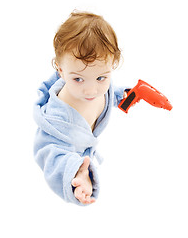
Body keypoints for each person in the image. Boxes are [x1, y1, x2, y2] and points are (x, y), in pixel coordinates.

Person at [33, 11, 128, 206]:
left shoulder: (96, 80)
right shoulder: (58, 117)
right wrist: (76, 173)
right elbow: (48, 153)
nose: (92, 89)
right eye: (78, 79)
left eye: (101, 78)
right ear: (60, 70)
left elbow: (108, 92)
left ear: (112, 66)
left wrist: (123, 96)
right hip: (71, 154)